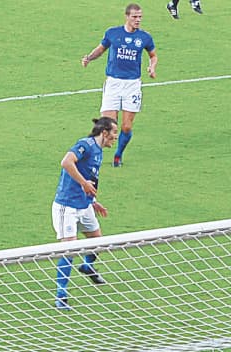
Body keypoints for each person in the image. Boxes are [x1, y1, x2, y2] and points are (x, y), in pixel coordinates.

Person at [52, 117, 119, 310]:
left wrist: (93, 201)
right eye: (113, 133)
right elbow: (66, 162)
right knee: (69, 250)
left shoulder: (98, 151)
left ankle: (87, 266)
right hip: (67, 206)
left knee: (97, 242)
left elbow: (90, 179)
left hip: (84, 205)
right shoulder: (86, 145)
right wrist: (83, 183)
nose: (115, 137)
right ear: (104, 132)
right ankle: (61, 295)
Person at [81, 3, 157, 167]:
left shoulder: (144, 37)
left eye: (140, 17)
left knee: (126, 127)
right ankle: (94, 155)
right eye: (135, 17)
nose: (138, 20)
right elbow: (100, 49)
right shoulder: (113, 33)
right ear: (127, 16)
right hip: (113, 83)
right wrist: (89, 58)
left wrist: (152, 67)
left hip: (132, 85)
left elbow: (153, 55)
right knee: (106, 125)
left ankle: (118, 155)